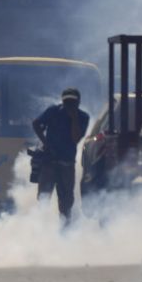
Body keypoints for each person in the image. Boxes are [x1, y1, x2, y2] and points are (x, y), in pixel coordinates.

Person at [32, 87, 90, 221]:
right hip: (49, 162)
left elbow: (76, 138)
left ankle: (65, 231)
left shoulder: (83, 117)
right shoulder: (53, 111)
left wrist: (74, 118)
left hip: (67, 164)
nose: (69, 105)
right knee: (43, 198)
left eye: (72, 103)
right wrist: (45, 142)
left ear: (78, 103)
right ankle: (39, 228)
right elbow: (36, 123)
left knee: (66, 202)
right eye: (67, 102)